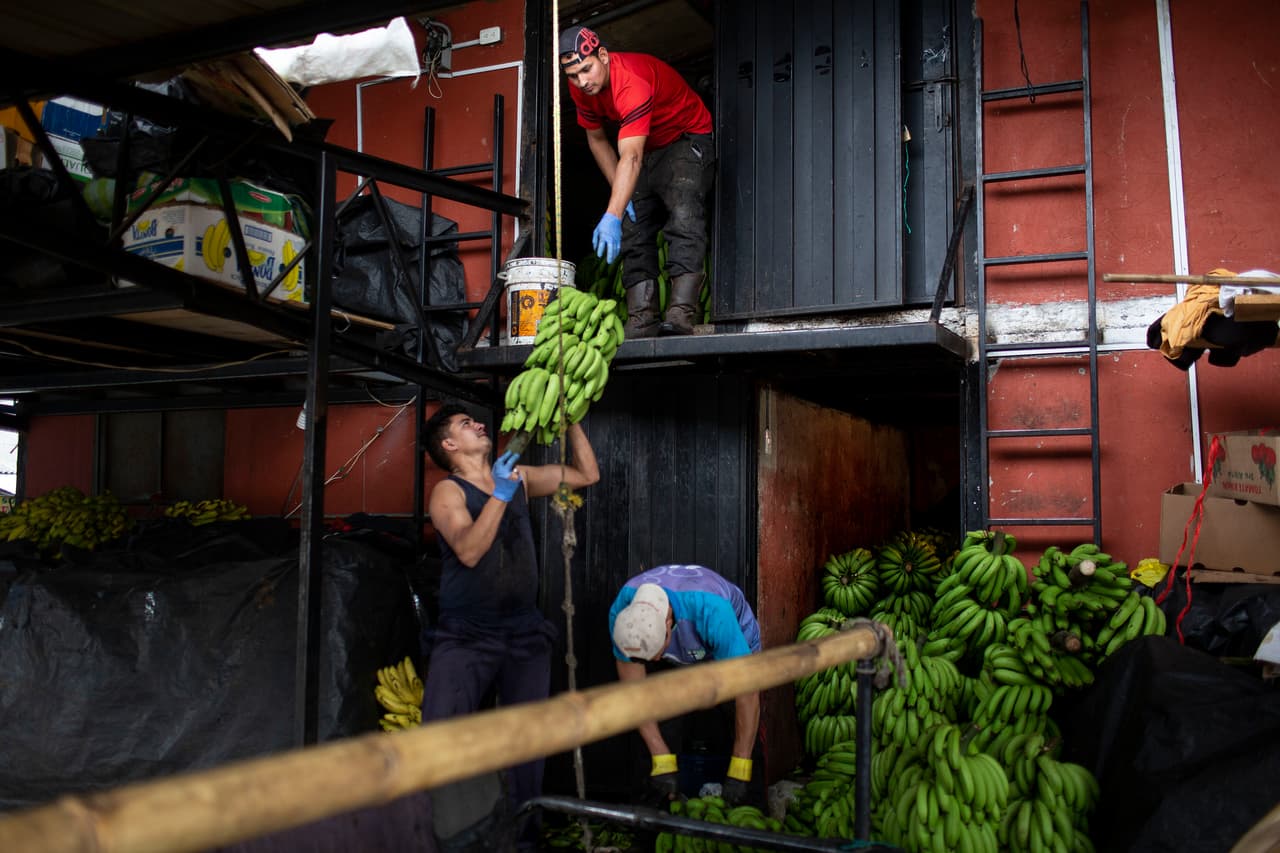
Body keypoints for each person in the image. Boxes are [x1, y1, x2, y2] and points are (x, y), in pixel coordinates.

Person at [421, 404, 599, 851]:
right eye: (466, 425)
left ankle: (523, 839)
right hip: (466, 635)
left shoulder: (518, 477)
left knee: (527, 746)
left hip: (523, 634)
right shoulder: (448, 492)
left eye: (475, 421)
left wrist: (571, 420)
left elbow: (585, 475)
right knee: (443, 736)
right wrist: (499, 494)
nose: (479, 425)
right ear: (449, 446)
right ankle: (442, 837)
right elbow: (468, 551)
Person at [559, 24, 716, 338]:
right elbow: (597, 140)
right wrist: (621, 197)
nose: (582, 82)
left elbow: (630, 157)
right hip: (647, 146)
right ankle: (642, 318)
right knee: (633, 224)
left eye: (587, 70)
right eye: (574, 75)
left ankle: (681, 313)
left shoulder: (631, 82)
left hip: (685, 138)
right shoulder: (580, 88)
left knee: (683, 212)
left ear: (602, 55)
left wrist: (611, 213)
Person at [608, 565, 763, 806]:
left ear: (668, 622)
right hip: (682, 649)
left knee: (738, 726)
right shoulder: (622, 613)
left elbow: (748, 693)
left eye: (655, 652)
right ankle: (652, 819)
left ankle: (751, 810)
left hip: (728, 643)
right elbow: (634, 694)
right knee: (656, 732)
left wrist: (739, 771)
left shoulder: (712, 612)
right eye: (646, 658)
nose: (653, 661)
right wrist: (661, 759)